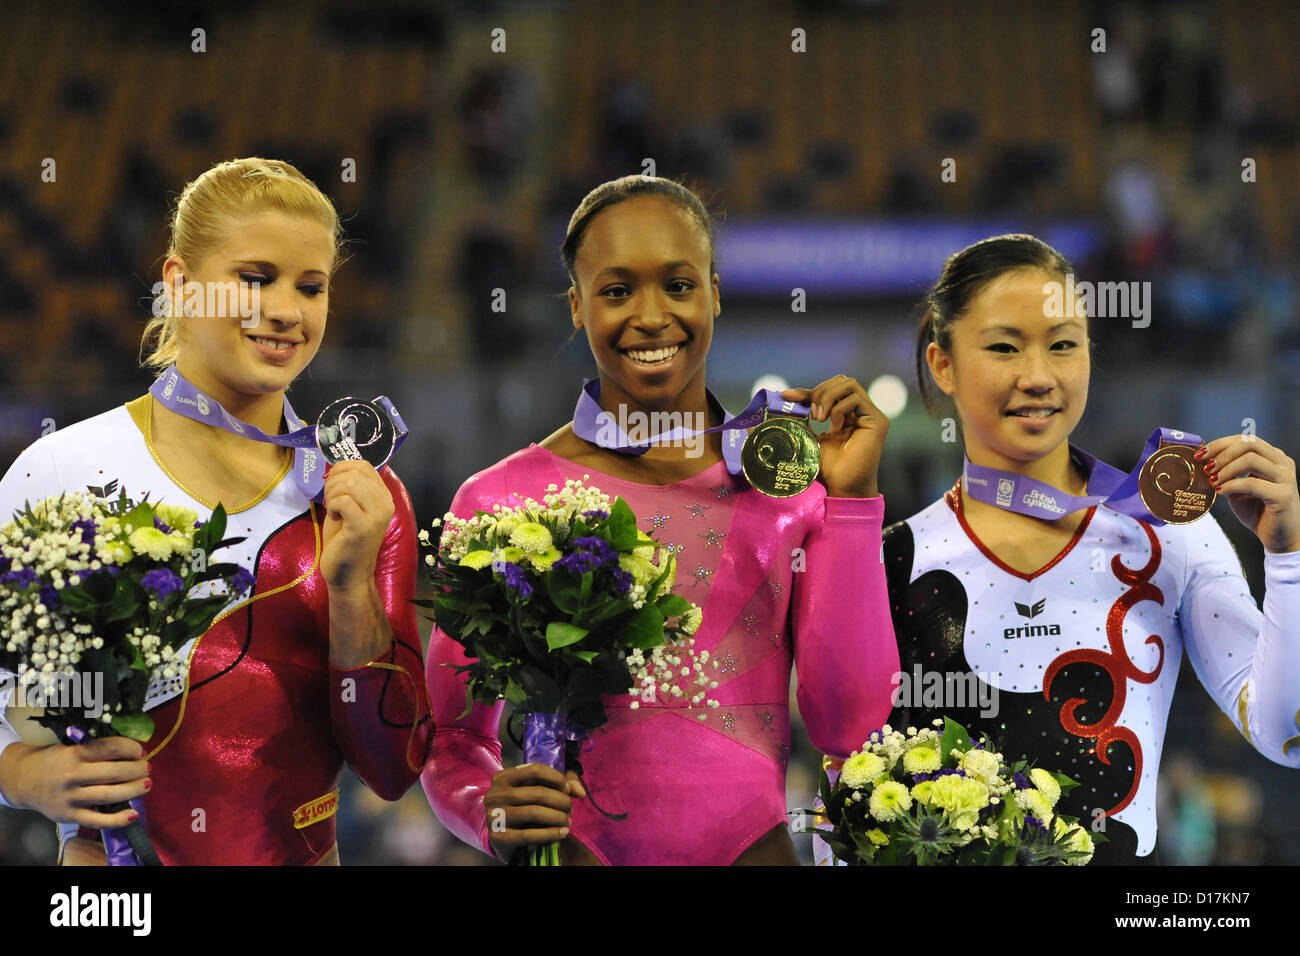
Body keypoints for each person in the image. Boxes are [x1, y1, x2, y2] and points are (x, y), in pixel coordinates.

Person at [421, 175, 899, 865]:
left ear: (714, 292)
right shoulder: (500, 498)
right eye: (617, 291)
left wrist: (853, 503)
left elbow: (849, 724)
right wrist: (483, 807)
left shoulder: (787, 488)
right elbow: (453, 740)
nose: (651, 316)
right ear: (576, 306)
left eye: (678, 285)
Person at [0, 158, 431, 865]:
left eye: (311, 286)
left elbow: (392, 768)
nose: (288, 310)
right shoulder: (62, 471)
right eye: (255, 278)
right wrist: (21, 774)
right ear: (179, 286)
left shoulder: (354, 499)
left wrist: (351, 590)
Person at [819, 234, 1300, 865]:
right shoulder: (892, 562)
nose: (1039, 376)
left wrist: (1288, 560)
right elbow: (848, 796)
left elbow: (1285, 734)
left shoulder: (1167, 535)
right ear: (943, 364)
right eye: (1003, 347)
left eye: (1063, 344)